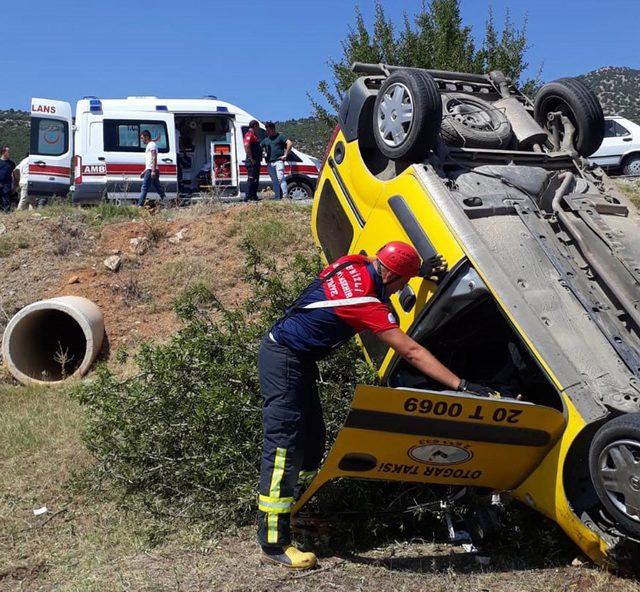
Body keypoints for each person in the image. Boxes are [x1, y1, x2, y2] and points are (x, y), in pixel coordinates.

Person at [257, 242, 496, 569]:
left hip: (291, 356)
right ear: (393, 276)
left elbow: (374, 259)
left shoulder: (350, 263)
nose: (403, 289)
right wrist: (461, 385)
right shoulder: (365, 303)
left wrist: (417, 270)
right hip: (285, 359)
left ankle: (295, 511)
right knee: (284, 444)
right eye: (404, 282)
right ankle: (274, 540)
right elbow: (411, 352)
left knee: (313, 444)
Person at [260, 122, 292, 200]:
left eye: (269, 130)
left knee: (280, 178)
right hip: (270, 163)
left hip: (278, 161)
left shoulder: (280, 137)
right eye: (266, 130)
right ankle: (277, 198)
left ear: (273, 129)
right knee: (274, 181)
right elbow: (259, 147)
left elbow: (289, 143)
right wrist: (262, 154)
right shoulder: (266, 140)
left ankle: (285, 197)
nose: (267, 132)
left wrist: (285, 155)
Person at [136, 130, 166, 208]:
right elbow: (150, 160)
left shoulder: (151, 144)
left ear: (146, 137)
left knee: (144, 187)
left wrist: (152, 170)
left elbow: (154, 156)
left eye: (142, 138)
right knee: (158, 188)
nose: (142, 140)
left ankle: (139, 206)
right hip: (151, 169)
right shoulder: (150, 145)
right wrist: (145, 171)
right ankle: (167, 203)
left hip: (152, 170)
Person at [243, 120, 262, 201]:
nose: (258, 128)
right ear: (255, 126)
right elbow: (246, 145)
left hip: (256, 161)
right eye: (258, 126)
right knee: (251, 179)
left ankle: (254, 196)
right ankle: (247, 197)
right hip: (252, 162)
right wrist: (251, 158)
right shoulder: (249, 134)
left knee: (255, 179)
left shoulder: (254, 135)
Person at [0, 146, 16, 213]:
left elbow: (14, 173)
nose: (9, 153)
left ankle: (6, 212)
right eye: (8, 151)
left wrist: (14, 184)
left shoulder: (11, 163)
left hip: (7, 183)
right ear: (3, 152)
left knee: (6, 198)